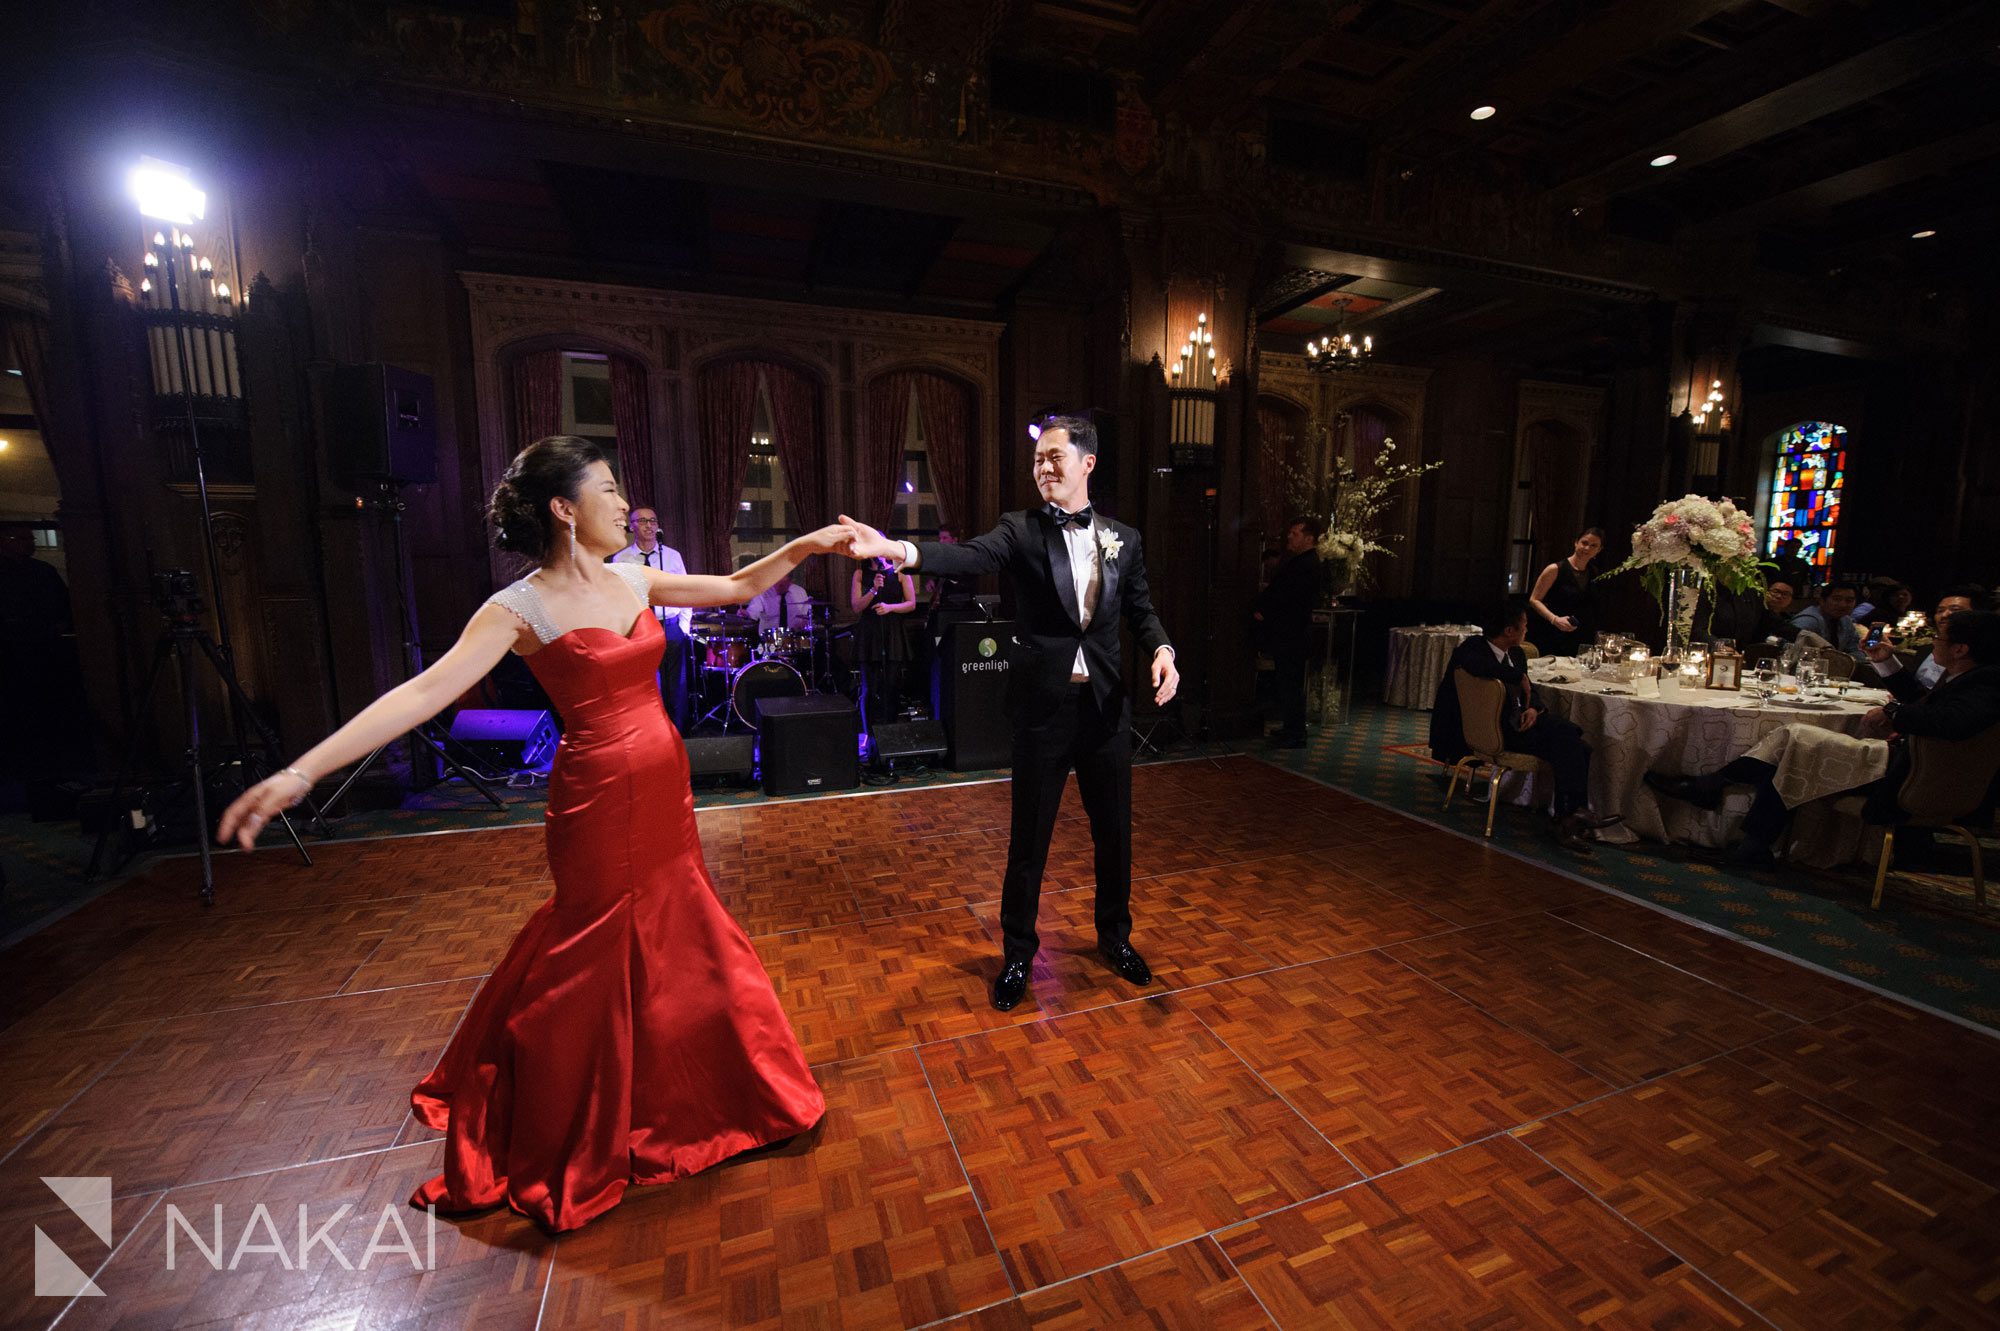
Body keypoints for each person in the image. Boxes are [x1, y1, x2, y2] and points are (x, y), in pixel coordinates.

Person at [218, 436, 852, 1233]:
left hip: (663, 790)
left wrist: (810, 543)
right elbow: (422, 693)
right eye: (611, 490)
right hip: (595, 804)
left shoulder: (634, 577)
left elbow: (734, 585)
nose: (626, 504)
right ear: (563, 508)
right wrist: (300, 772)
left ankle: (682, 1103)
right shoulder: (518, 607)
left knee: (675, 938)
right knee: (590, 953)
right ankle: (565, 1124)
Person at [838, 412, 1179, 1013]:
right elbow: (969, 557)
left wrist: (1163, 651)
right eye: (1038, 459)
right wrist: (898, 550)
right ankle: (1019, 952)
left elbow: (1142, 609)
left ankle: (1115, 939)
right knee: (1029, 840)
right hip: (1043, 710)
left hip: (1104, 708)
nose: (1043, 467)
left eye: (1055, 457)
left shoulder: (1123, 536)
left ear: (1087, 464)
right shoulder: (1020, 530)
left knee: (1115, 834)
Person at [1648, 610, 2000, 868]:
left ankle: (1715, 791)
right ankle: (1738, 825)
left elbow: (1952, 721)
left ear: (1960, 649)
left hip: (1911, 778)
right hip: (1900, 763)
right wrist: (1885, 662)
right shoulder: (1968, 677)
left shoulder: (1987, 683)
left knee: (1798, 739)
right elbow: (1924, 702)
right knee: (1795, 743)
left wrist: (1893, 714)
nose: (1935, 643)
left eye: (1940, 638)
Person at [1428, 598, 1621, 852]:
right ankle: (1572, 817)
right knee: (1571, 738)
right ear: (1509, 631)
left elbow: (1531, 690)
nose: (1527, 630)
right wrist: (1517, 677)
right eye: (1524, 626)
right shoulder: (1472, 649)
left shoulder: (1516, 654)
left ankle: (1568, 819)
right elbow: (1482, 667)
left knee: (1576, 744)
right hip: (1496, 731)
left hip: (1520, 723)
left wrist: (1534, 708)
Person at [610, 506, 692, 726]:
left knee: (674, 685)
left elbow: (686, 591)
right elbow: (618, 600)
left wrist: (684, 627)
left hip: (671, 626)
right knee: (644, 683)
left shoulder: (672, 556)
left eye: (653, 521)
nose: (649, 525)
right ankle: (651, 728)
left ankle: (677, 731)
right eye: (643, 521)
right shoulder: (621, 559)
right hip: (641, 627)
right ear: (632, 526)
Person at [1253, 516, 1321, 749]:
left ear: (1309, 539)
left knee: (1291, 683)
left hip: (1293, 634)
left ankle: (1296, 732)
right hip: (1287, 633)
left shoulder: (1308, 564)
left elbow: (1290, 599)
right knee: (1285, 682)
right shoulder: (1298, 562)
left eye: (1295, 534)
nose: (1289, 537)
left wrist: (1267, 612)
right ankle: (1291, 726)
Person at [850, 554, 918, 721]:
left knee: (891, 687)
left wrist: (890, 607)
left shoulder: (900, 571)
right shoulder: (860, 574)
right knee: (869, 689)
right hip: (869, 635)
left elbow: (911, 603)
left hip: (892, 632)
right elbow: (856, 606)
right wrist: (873, 589)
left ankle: (891, 731)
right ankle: (869, 734)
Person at [1526, 528, 1604, 658]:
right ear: (1576, 543)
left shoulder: (1595, 573)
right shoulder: (1555, 569)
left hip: (1583, 637)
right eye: (1584, 543)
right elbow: (1534, 599)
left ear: (1599, 550)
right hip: (1554, 634)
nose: (1587, 548)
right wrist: (1554, 619)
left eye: (1593, 546)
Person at [1914, 584, 1986, 688]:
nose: (1944, 615)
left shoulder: (1981, 655)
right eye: (1940, 611)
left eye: (1955, 610)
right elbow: (1915, 696)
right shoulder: (1928, 648)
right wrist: (1887, 660)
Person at [1789, 579, 1864, 661]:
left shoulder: (1846, 621)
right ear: (1822, 600)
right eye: (1837, 599)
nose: (1843, 605)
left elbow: (1856, 651)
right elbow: (1790, 652)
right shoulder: (1808, 621)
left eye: (1849, 601)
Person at [747, 572, 814, 636]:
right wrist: (746, 614)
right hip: (769, 640)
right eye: (776, 582)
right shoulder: (763, 593)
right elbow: (753, 612)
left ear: (790, 582)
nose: (777, 587)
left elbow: (806, 615)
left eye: (781, 584)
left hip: (794, 638)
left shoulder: (800, 592)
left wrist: (804, 622)